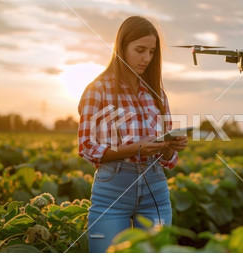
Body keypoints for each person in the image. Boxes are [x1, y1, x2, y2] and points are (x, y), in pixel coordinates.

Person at [77, 16, 188, 253]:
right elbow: (86, 147)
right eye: (140, 50)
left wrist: (171, 145)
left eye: (151, 51)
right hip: (113, 188)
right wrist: (135, 148)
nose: (147, 58)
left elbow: (167, 159)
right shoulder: (98, 89)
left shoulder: (157, 93)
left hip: (155, 188)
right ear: (122, 47)